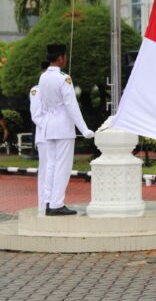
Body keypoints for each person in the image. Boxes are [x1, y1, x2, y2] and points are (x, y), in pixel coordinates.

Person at [39, 44, 94, 216]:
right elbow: (72, 106)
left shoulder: (43, 77)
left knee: (51, 166)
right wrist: (84, 129)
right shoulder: (64, 78)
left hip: (49, 126)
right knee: (62, 166)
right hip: (62, 127)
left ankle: (48, 202)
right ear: (61, 58)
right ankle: (56, 204)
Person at [30, 61, 50, 215]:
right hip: (44, 136)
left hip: (58, 135)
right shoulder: (36, 90)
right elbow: (36, 115)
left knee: (56, 170)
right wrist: (50, 127)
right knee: (44, 170)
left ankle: (54, 202)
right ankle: (42, 204)